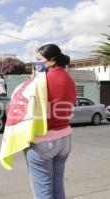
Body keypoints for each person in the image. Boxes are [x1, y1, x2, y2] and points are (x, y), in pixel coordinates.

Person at [24, 44, 77, 199]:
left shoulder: (41, 80)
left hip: (44, 140)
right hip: (65, 139)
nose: (35, 63)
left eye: (39, 59)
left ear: (52, 60)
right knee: (58, 185)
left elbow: (27, 108)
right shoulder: (69, 80)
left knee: (43, 190)